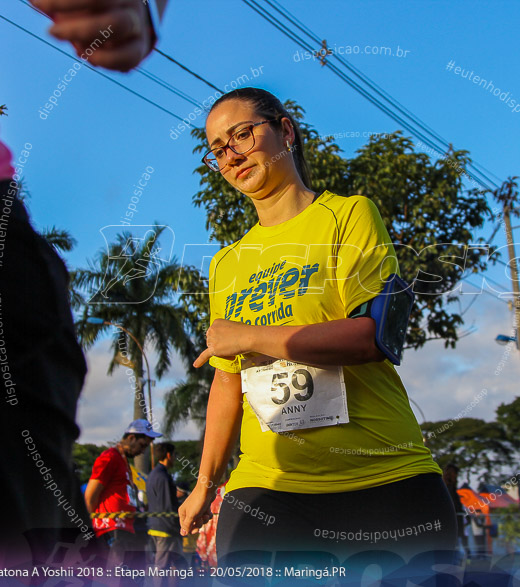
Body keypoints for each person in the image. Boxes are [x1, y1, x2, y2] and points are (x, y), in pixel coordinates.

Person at [0, 0, 167, 562]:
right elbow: (95, 490)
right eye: (144, 441)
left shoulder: (134, 470)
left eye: (147, 443)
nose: (146, 447)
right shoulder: (110, 461)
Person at [177, 87, 456, 567]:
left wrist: (247, 336)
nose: (232, 155)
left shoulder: (348, 215)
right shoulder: (226, 263)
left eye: (242, 134)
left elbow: (368, 337)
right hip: (267, 491)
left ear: (286, 131)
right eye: (219, 149)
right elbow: (228, 379)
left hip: (384, 481)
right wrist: (205, 484)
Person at [86, 419, 161, 568]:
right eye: (142, 445)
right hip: (111, 530)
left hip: (127, 530)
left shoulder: (124, 462)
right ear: (131, 438)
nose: (142, 451)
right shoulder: (109, 457)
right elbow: (89, 497)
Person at [148, 442, 183, 571]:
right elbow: (167, 506)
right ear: (168, 455)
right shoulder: (162, 477)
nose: (174, 458)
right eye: (174, 455)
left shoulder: (154, 474)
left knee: (166, 566)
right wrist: (177, 528)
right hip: (166, 529)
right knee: (167, 567)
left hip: (155, 526)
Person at [442, 464, 469, 557]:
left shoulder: (451, 488)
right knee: (455, 542)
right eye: (455, 473)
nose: (457, 476)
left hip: (457, 521)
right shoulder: (448, 488)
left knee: (459, 540)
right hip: (453, 522)